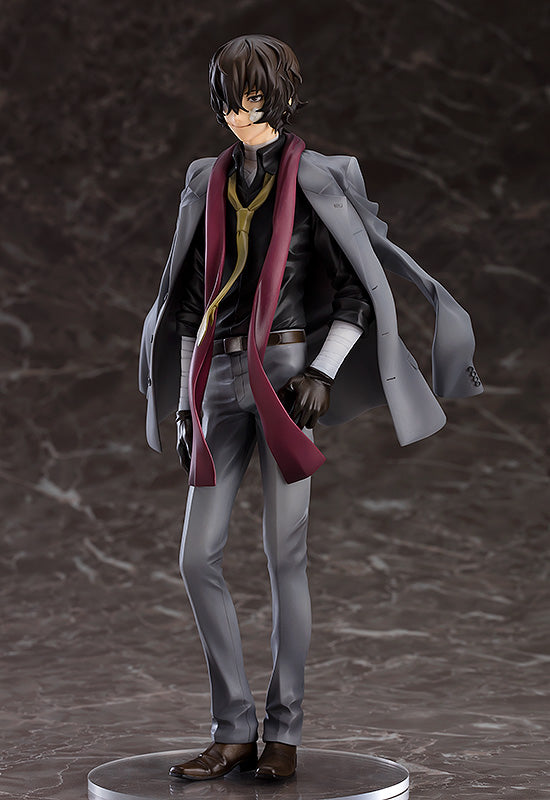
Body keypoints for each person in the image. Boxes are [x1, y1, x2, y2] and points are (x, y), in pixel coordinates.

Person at [138, 34, 482, 782]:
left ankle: (284, 731)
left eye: (252, 98)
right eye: (229, 100)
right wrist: (186, 405)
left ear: (281, 97)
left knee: (284, 554)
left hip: (288, 375)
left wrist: (324, 371)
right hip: (216, 377)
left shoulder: (320, 177)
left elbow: (356, 288)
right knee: (196, 557)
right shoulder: (205, 180)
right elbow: (189, 298)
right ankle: (233, 727)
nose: (239, 113)